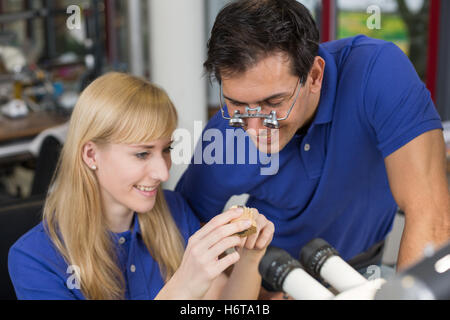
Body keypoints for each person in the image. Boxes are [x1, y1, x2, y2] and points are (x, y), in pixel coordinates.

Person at [175, 0, 450, 287]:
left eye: (273, 102)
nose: (254, 128)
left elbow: (430, 213)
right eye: (237, 104)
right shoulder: (225, 132)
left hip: (361, 272)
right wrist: (242, 285)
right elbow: (185, 225)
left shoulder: (378, 74)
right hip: (271, 282)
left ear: (315, 76)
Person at [8, 72, 274, 300]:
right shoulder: (35, 260)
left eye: (166, 149)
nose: (162, 171)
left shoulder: (175, 210)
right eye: (142, 154)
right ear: (91, 155)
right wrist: (181, 289)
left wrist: (251, 257)